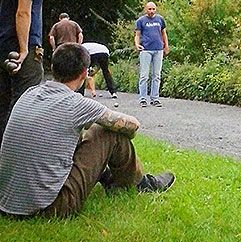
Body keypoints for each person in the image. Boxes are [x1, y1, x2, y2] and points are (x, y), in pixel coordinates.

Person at [0, 43, 175, 218]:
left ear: (53, 68)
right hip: (49, 207)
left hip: (6, 201)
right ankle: (141, 183)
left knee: (79, 132)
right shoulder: (77, 104)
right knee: (109, 132)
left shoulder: (29, 93)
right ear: (85, 73)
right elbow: (133, 125)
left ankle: (108, 177)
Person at [0, 0, 48, 144]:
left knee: (8, 102)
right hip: (23, 47)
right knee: (27, 103)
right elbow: (23, 11)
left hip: (5, 43)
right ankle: (16, 154)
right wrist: (24, 49)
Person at [134, 2, 169, 107]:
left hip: (158, 49)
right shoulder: (141, 21)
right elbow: (137, 34)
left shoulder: (160, 19)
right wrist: (137, 44)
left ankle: (155, 98)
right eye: (149, 9)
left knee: (156, 75)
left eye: (153, 9)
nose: (151, 11)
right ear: (146, 9)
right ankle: (143, 98)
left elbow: (164, 33)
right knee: (144, 75)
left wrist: (166, 46)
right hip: (146, 50)